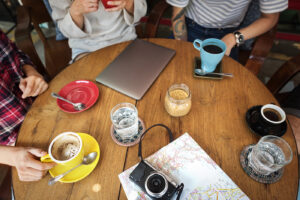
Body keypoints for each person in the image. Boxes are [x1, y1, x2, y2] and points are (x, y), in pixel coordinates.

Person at [0, 30, 55, 182]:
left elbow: (15, 54)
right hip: (15, 142)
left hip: (42, 102)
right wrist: (11, 156)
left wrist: (31, 72)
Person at [167, 0, 288, 59]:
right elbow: (178, 14)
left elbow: (270, 18)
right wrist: (181, 47)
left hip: (229, 33)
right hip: (189, 26)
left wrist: (234, 38)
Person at [49, 0, 147, 61]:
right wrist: (75, 12)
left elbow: (142, 9)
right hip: (86, 48)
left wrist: (129, 3)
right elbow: (66, 31)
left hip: (125, 39)